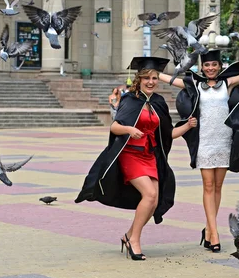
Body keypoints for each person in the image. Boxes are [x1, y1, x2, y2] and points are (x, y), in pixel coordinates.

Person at [158, 43, 239, 252]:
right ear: (202, 67)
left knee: (217, 187)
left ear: (219, 66)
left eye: (214, 65)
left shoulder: (227, 83)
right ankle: (214, 232)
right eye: (207, 65)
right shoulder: (195, 84)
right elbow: (169, 79)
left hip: (224, 140)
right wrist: (150, 72)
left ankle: (209, 231)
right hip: (205, 141)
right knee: (208, 186)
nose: (210, 68)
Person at [75, 57, 197, 261]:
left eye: (154, 78)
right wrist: (129, 129)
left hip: (149, 156)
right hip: (130, 155)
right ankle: (135, 241)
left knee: (153, 200)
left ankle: (129, 235)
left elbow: (167, 135)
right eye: (147, 78)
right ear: (138, 79)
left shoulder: (158, 102)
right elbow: (115, 127)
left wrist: (188, 126)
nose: (151, 82)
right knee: (149, 194)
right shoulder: (130, 100)